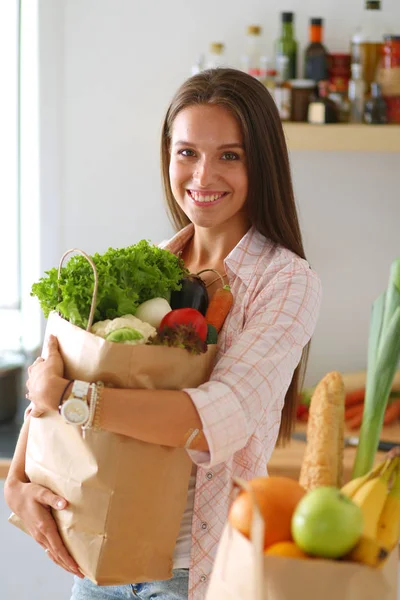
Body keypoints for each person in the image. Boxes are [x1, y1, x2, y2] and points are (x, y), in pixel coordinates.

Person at [4, 68, 322, 600]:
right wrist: (17, 482)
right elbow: (56, 375)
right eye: (186, 153)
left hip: (194, 574)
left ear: (262, 162)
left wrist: (69, 399)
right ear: (167, 157)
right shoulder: (149, 267)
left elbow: (218, 416)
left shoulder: (287, 282)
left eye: (230, 155)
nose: (203, 175)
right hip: (97, 559)